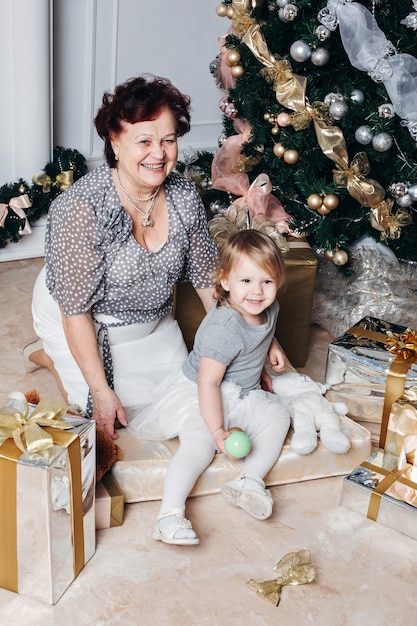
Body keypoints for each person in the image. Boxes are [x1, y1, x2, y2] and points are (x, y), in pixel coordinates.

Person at [23, 74, 217, 439]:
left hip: (152, 322)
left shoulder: (183, 195)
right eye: (144, 141)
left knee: (180, 404)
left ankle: (60, 361)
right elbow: (76, 311)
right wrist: (99, 389)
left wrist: (255, 341)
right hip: (81, 321)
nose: (158, 154)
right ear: (114, 139)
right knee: (101, 416)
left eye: (168, 140)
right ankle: (53, 355)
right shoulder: (80, 207)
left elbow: (209, 282)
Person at [127, 229, 291, 545]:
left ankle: (250, 480)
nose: (257, 291)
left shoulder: (268, 308)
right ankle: (169, 515)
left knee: (278, 416)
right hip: (204, 393)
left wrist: (271, 348)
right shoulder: (223, 328)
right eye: (246, 281)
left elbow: (261, 332)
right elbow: (209, 382)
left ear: (278, 282)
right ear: (225, 281)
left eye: (266, 282)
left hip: (243, 389)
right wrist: (217, 431)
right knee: (198, 447)